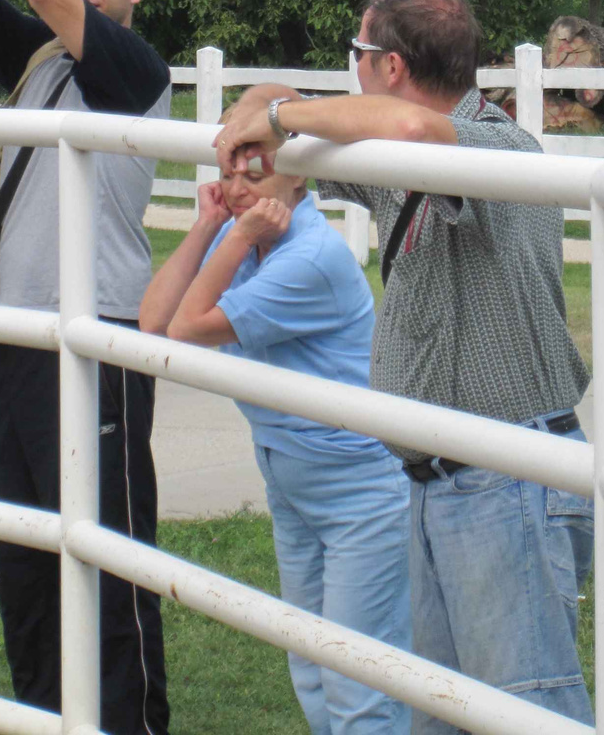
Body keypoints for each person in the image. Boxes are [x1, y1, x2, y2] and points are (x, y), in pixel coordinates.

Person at [214, 0, 594, 733]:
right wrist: (261, 110)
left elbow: (405, 131)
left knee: (529, 716)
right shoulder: (395, 152)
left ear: (389, 68)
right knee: (441, 717)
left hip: (508, 480)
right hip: (439, 483)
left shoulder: (496, 144)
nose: (349, 67)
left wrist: (278, 116)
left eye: (357, 53)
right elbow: (285, 110)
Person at [0, 0, 171, 735]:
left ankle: (128, 724)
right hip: (19, 327)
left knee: (109, 557)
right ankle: (45, 717)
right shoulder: (41, 59)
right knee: (26, 553)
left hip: (97, 335)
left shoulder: (133, 67)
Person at [141, 165, 411, 735]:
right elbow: (154, 320)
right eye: (227, 173)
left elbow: (187, 328)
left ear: (296, 175)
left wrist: (235, 234)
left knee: (356, 677)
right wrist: (210, 224)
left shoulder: (306, 256)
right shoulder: (248, 234)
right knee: (310, 663)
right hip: (291, 476)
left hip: (359, 485)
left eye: (254, 172)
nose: (237, 188)